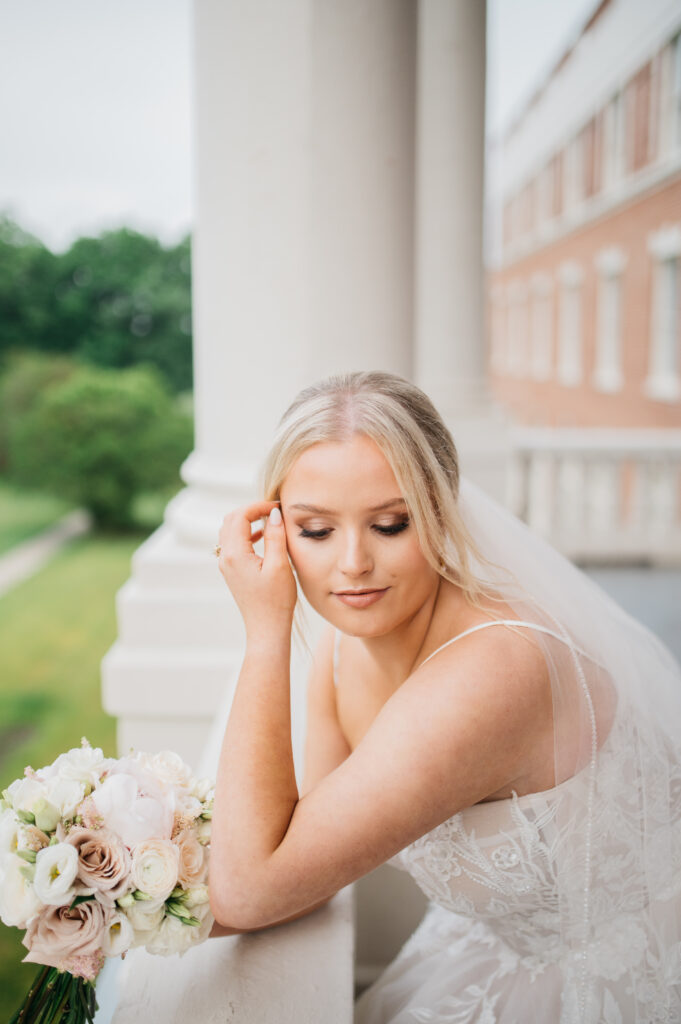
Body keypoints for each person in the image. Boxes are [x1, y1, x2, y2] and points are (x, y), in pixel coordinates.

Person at [209, 371, 681, 1023]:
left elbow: (249, 891)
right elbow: (299, 860)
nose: (352, 563)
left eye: (390, 524)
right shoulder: (343, 650)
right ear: (277, 528)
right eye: (315, 530)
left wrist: (265, 631)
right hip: (488, 952)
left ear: (441, 508)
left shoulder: (495, 669)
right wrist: (127, 898)